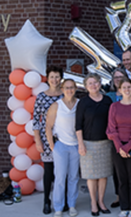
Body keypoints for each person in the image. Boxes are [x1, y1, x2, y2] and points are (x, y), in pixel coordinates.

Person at [106, 78, 131, 217]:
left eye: (129, 87)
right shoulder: (114, 107)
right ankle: (124, 207)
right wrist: (119, 147)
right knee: (122, 179)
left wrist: (128, 146)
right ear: (120, 90)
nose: (127, 89)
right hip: (117, 147)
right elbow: (111, 129)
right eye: (124, 87)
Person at [76, 73, 114, 216]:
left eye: (96, 82)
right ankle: (93, 202)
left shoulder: (107, 100)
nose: (93, 85)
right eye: (90, 83)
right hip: (88, 143)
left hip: (105, 143)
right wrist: (81, 144)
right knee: (91, 176)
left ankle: (101, 201)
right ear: (86, 87)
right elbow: (78, 125)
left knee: (103, 175)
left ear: (100, 83)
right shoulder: (83, 103)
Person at [46, 78, 80, 217]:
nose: (69, 90)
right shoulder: (56, 105)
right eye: (66, 87)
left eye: (72, 87)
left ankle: (71, 205)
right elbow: (48, 126)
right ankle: (58, 207)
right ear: (62, 89)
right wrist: (52, 146)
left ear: (76, 89)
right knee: (60, 178)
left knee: (74, 177)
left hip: (76, 146)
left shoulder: (79, 104)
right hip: (61, 145)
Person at [33, 65, 64, 214]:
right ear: (47, 78)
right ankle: (47, 200)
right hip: (46, 139)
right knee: (49, 172)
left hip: (63, 138)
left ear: (61, 78)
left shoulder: (65, 95)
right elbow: (36, 120)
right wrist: (38, 140)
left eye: (57, 76)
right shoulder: (41, 96)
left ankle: (61, 200)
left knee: (62, 172)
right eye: (52, 76)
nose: (54, 79)